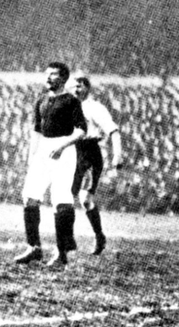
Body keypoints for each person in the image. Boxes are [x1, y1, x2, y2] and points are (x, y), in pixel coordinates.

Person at [14, 61, 87, 268]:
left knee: (60, 199)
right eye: (47, 74)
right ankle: (34, 248)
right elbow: (36, 131)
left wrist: (63, 146)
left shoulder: (71, 101)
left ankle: (61, 253)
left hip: (63, 150)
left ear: (63, 78)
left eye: (53, 74)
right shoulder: (41, 101)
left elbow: (81, 130)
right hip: (43, 150)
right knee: (29, 196)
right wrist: (31, 158)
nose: (48, 78)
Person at [69, 73, 123, 255]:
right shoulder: (69, 106)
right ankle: (67, 239)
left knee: (85, 199)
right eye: (73, 86)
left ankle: (99, 236)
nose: (76, 89)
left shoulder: (94, 108)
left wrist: (117, 156)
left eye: (79, 86)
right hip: (73, 152)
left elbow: (113, 131)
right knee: (66, 197)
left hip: (90, 152)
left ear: (86, 88)